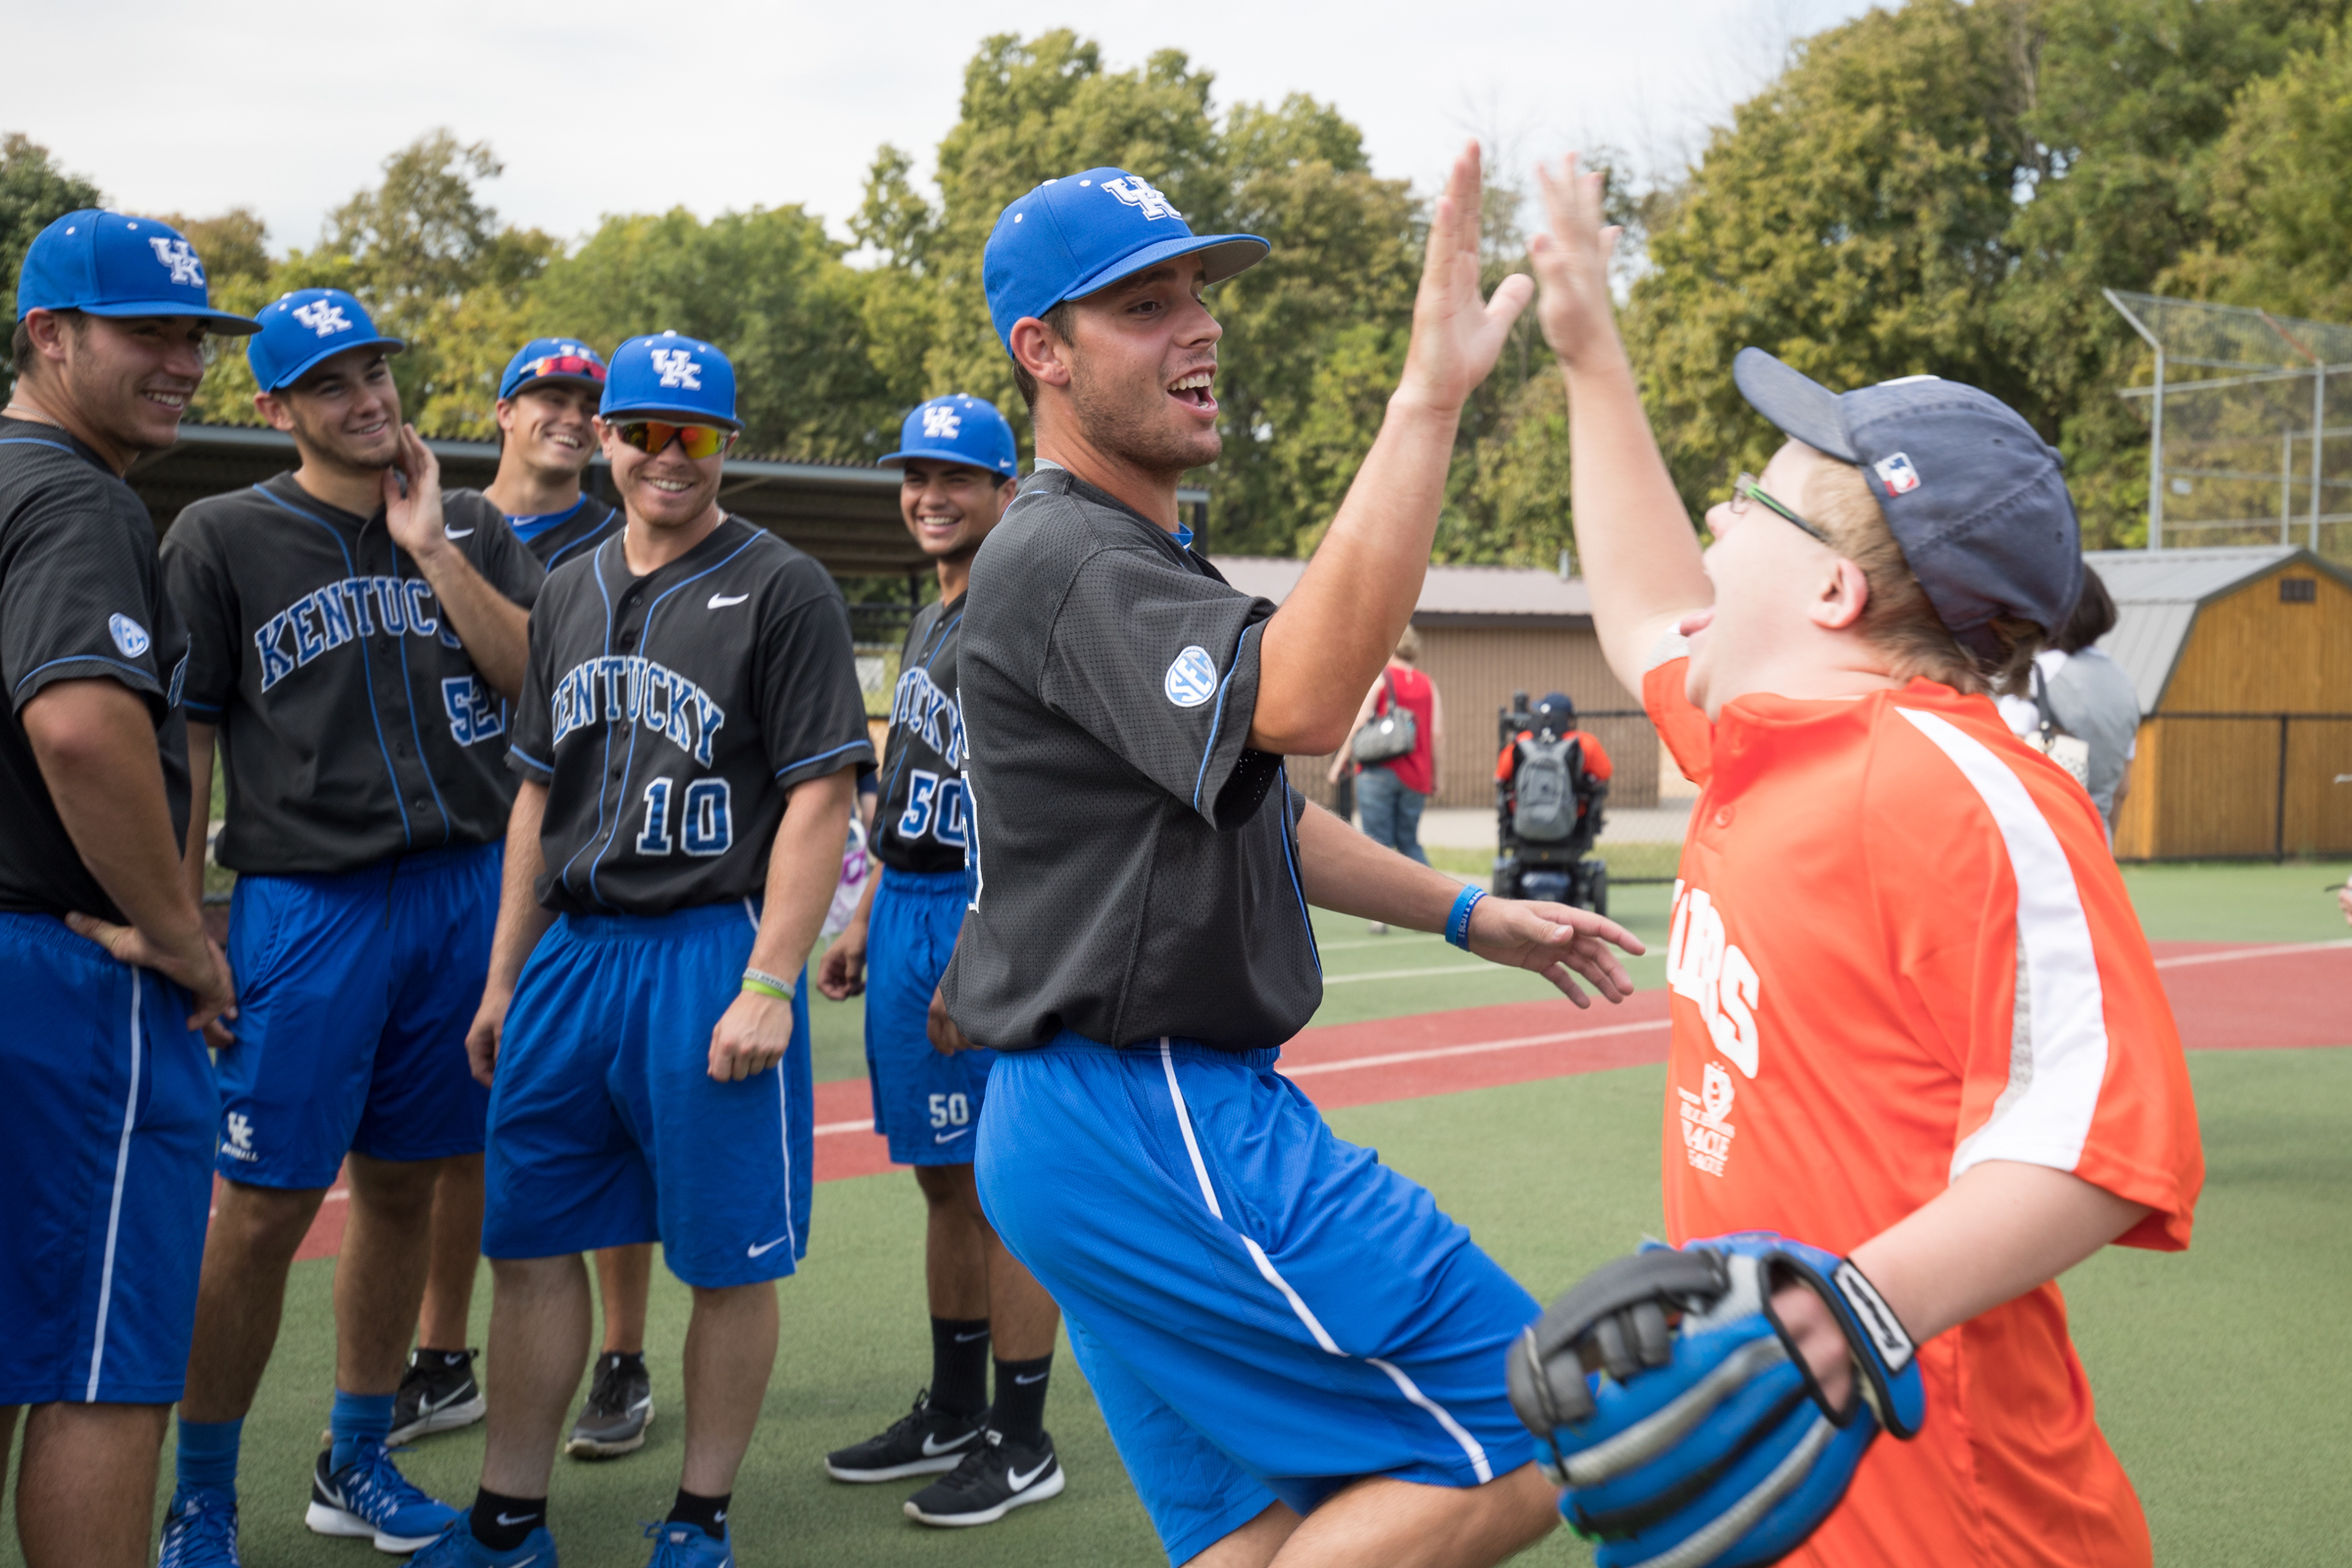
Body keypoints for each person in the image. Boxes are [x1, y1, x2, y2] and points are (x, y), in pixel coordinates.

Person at [945, 148, 1643, 1568]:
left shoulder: (1119, 555)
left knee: (1255, 1532)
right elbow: (1310, 703)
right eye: (1142, 305)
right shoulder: (1066, 554)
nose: (1196, 324)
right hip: (1151, 1114)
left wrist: (1463, 909)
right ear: (1045, 355)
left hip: (1081, 1123)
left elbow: (1252, 802)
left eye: (1199, 294)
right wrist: (1427, 397)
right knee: (1537, 1422)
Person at [1525, 156, 2202, 1565]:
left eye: (1756, 503)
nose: (1719, 516)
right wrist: (1591, 350)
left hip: (1957, 1512)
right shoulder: (1759, 738)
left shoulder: (1957, 785)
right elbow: (1648, 602)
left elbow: (2098, 1143)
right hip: (1801, 1472)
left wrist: (1850, 1310)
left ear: (1834, 591)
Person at [414, 331, 871, 1567]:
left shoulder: (783, 586)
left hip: (706, 949)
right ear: (607, 438)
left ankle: (699, 1519)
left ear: (729, 445)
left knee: (723, 1256)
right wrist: (506, 972)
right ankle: (508, 1522)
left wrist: (772, 978)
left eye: (698, 434)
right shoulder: (563, 588)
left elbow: (822, 795)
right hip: (573, 951)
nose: (669, 456)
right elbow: (531, 800)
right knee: (530, 1242)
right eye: (645, 430)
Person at [157, 287, 543, 1563]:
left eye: (375, 371)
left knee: (405, 1188)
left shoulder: (475, 524)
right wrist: (181, 918)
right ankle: (203, 1493)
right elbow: (193, 736)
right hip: (307, 905)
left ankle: (356, 1457)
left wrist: (433, 544)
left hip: (459, 892)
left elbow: (538, 684)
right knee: (261, 1207)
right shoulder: (220, 537)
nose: (368, 398)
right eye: (331, 383)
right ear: (275, 409)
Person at [0, 211, 249, 1568]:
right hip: (58, 980)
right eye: (148, 334)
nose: (184, 363)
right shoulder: (75, 495)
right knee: (105, 1362)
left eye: (196, 338)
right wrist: (180, 937)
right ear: (49, 335)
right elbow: (83, 730)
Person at [396, 337, 659, 1463]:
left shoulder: (627, 539)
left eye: (587, 401)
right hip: (455, 851)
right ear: (503, 410)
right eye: (548, 394)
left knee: (603, 1119)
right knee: (461, 1123)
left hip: (577, 859)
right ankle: (441, 1354)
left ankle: (624, 1355)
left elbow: (534, 686)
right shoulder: (424, 507)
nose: (569, 413)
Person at [816, 394, 1069, 1527]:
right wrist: (865, 911)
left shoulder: (1015, 612)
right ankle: (956, 1404)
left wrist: (976, 947)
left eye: (954, 477)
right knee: (940, 1180)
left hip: (979, 913)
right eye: (915, 475)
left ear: (1004, 494)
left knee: (999, 1186)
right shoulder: (933, 618)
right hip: (907, 904)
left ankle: (1022, 1438)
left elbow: (1027, 810)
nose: (929, 495)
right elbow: (913, 773)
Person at [1993, 565, 2140, 836]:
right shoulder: (2123, 684)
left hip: (2044, 844)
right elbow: (2121, 789)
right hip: (2097, 841)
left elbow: (2002, 777)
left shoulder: (2033, 676)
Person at [1329, 627, 1441, 933]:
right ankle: (1439, 909)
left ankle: (1379, 916)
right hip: (1416, 776)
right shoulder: (1428, 685)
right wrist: (1436, 776)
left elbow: (1361, 722)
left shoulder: (1381, 679)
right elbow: (1435, 736)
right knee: (1409, 842)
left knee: (1375, 844)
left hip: (1378, 773)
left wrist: (1340, 761)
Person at [1492, 692, 1612, 814]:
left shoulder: (1522, 741)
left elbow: (1501, 775)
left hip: (1523, 816)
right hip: (1573, 818)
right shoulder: (1585, 742)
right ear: (1569, 719)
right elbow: (1604, 774)